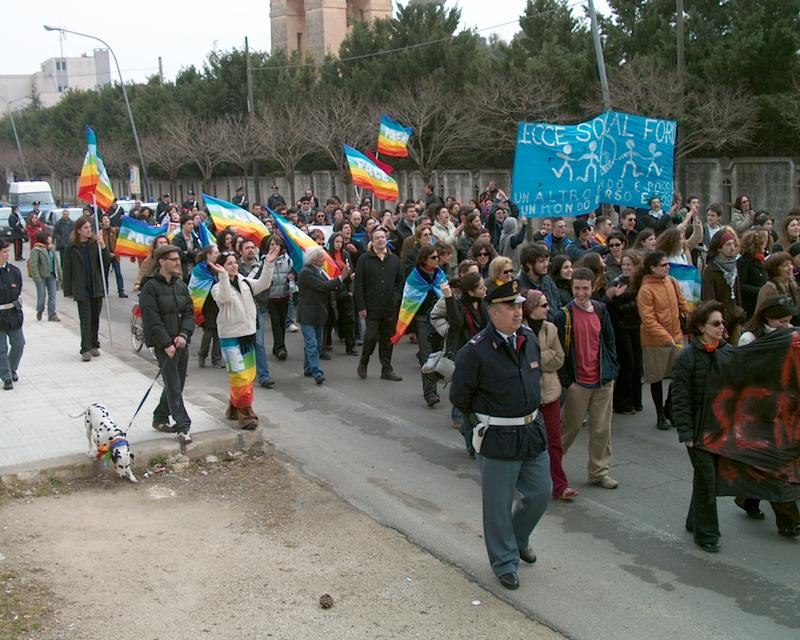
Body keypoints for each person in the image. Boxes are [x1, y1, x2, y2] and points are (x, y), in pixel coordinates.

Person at [450, 279, 551, 591]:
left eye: (520, 305)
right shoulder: (475, 351)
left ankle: (518, 539)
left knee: (540, 493)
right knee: (497, 505)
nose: (518, 311)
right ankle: (505, 561)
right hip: (498, 436)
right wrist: (478, 429)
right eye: (511, 306)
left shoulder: (529, 339)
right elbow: (460, 397)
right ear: (494, 312)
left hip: (532, 431)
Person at [734, 295, 800, 538]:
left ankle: (748, 498)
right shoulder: (749, 338)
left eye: (789, 320)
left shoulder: (790, 335)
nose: (788, 325)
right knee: (773, 465)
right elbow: (744, 373)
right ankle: (789, 520)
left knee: (765, 464)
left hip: (783, 409)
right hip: (757, 412)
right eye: (782, 321)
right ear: (768, 318)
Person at [671, 300, 731, 552]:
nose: (721, 328)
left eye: (722, 323)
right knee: (708, 479)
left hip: (719, 429)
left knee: (705, 477)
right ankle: (707, 534)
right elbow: (680, 399)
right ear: (701, 327)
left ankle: (693, 521)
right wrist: (686, 433)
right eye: (716, 324)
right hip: (697, 431)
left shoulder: (726, 351)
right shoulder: (686, 358)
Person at [554, 267, 620, 489]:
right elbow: (559, 351)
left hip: (602, 380)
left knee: (602, 429)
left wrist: (612, 368)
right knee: (568, 429)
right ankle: (548, 469)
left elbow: (610, 340)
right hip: (578, 383)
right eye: (576, 288)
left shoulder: (601, 310)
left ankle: (599, 472)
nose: (580, 293)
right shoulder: (563, 315)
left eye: (585, 288)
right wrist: (568, 383)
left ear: (593, 287)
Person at [210, 242, 279, 427]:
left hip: (248, 335)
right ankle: (246, 415)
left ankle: (234, 407)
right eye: (229, 263)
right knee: (239, 376)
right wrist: (223, 277)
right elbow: (223, 298)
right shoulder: (217, 287)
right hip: (230, 337)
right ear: (221, 267)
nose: (234, 266)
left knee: (246, 376)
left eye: (234, 262)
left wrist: (269, 264)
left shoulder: (246, 282)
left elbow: (263, 284)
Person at [523, 289, 576, 501]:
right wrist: (541, 358)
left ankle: (560, 484)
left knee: (554, 441)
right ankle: (528, 481)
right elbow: (522, 362)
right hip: (527, 395)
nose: (548, 309)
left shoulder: (551, 329)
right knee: (529, 442)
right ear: (531, 308)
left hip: (550, 393)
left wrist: (535, 359)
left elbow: (559, 359)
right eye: (543, 305)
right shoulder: (519, 330)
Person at [139, 244, 195, 444]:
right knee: (173, 384)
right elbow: (152, 319)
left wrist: (184, 334)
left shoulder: (181, 286)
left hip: (180, 343)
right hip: (164, 345)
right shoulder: (150, 287)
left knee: (178, 382)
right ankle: (183, 426)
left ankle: (160, 416)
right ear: (162, 262)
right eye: (173, 259)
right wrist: (165, 343)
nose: (178, 262)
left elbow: (189, 312)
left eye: (179, 259)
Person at [635, 250, 688, 430]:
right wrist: (665, 337)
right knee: (656, 378)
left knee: (679, 374)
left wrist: (692, 319)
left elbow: (683, 304)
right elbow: (648, 320)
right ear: (652, 268)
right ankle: (659, 413)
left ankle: (669, 406)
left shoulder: (672, 282)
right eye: (663, 265)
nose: (667, 268)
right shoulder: (645, 290)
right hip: (655, 341)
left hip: (676, 336)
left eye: (667, 264)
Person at [354, 227, 404, 381]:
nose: (381, 240)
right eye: (377, 238)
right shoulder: (364, 259)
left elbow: (400, 281)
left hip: (389, 306)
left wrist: (395, 297)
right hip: (371, 306)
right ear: (372, 241)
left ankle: (387, 369)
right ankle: (364, 361)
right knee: (370, 337)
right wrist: (361, 306)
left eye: (383, 237)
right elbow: (359, 285)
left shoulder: (394, 259)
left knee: (387, 339)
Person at [296, 247, 350, 385]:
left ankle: (308, 368)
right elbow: (323, 286)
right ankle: (316, 372)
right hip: (308, 313)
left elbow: (330, 284)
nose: (324, 259)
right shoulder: (306, 273)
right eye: (321, 257)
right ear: (313, 259)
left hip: (319, 312)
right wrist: (341, 277)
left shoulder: (320, 271)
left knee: (318, 345)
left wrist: (343, 279)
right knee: (312, 344)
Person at [62, 216, 109, 362]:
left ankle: (95, 344)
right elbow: (67, 269)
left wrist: (103, 246)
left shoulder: (95, 244)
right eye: (86, 228)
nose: (89, 230)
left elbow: (106, 263)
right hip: (82, 288)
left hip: (95, 286)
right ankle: (85, 348)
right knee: (85, 319)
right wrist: (68, 289)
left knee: (95, 318)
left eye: (90, 228)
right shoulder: (71, 248)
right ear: (79, 231)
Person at [608, 251, 643, 415]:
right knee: (627, 363)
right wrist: (632, 302)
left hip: (635, 326)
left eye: (629, 264)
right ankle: (622, 403)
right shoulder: (618, 282)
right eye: (624, 265)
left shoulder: (640, 281)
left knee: (637, 364)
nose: (626, 267)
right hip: (622, 326)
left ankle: (636, 401)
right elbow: (614, 307)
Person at [238, 239, 275, 388]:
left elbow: (266, 285)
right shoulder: (235, 266)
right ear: (241, 251)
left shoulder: (260, 267)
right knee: (243, 342)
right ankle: (244, 371)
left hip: (256, 308)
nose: (250, 250)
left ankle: (264, 375)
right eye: (247, 248)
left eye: (253, 247)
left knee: (258, 342)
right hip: (240, 310)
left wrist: (260, 302)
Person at [702, 228, 745, 345]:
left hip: (734, 320)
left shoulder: (733, 267)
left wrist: (739, 313)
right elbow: (709, 300)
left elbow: (737, 294)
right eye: (728, 244)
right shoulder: (710, 271)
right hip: (719, 323)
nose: (732, 247)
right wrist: (718, 323)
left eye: (733, 244)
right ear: (719, 248)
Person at [190, 245, 223, 369]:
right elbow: (195, 286)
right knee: (209, 332)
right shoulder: (199, 269)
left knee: (218, 333)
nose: (217, 254)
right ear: (208, 255)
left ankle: (216, 359)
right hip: (205, 303)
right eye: (215, 252)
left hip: (217, 302)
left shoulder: (219, 267)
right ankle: (202, 354)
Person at [325, 232, 357, 355]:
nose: (339, 244)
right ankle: (327, 343)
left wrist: (350, 291)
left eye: (340, 242)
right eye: (336, 242)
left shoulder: (345, 254)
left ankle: (350, 346)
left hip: (344, 290)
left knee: (349, 318)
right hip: (332, 290)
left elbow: (350, 272)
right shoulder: (327, 255)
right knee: (330, 318)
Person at [264, 235, 294, 360]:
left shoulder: (287, 260)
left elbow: (293, 273)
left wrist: (292, 277)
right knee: (275, 322)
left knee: (282, 323)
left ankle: (278, 347)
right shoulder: (264, 260)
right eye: (271, 244)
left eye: (276, 244)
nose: (274, 246)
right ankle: (281, 348)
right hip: (271, 297)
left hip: (284, 295)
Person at [0, 240, 24, 390]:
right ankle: (6, 377)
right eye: (4, 252)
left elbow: (18, 289)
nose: (7, 254)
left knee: (19, 344)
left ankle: (12, 368)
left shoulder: (14, 271)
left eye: (8, 251)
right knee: (1, 349)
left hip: (13, 313)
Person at [517, 243, 561, 320]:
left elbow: (558, 303)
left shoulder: (547, 280)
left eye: (546, 260)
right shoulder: (519, 285)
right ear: (529, 264)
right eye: (541, 261)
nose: (546, 264)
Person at [755, 252, 800, 325]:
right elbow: (760, 316)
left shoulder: (793, 285)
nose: (790, 267)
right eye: (785, 265)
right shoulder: (768, 289)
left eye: (790, 264)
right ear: (775, 270)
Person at [736, 229, 769, 320]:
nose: (764, 247)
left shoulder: (762, 260)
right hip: (751, 305)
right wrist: (761, 290)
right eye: (762, 244)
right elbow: (741, 285)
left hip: (762, 303)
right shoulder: (744, 262)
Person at [29, 230, 61, 322]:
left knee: (53, 295)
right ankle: (40, 310)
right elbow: (33, 265)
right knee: (42, 296)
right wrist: (37, 278)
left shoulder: (52, 248)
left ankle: (52, 314)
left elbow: (56, 261)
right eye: (49, 237)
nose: (50, 239)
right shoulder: (36, 250)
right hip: (41, 276)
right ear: (44, 239)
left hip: (52, 274)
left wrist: (59, 273)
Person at [99, 214, 127, 297]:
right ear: (102, 222)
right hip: (106, 256)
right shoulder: (100, 232)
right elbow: (100, 245)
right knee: (105, 274)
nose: (106, 221)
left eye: (107, 219)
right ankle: (104, 291)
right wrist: (108, 253)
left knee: (118, 273)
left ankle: (121, 291)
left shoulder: (115, 230)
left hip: (115, 255)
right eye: (104, 219)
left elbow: (122, 237)